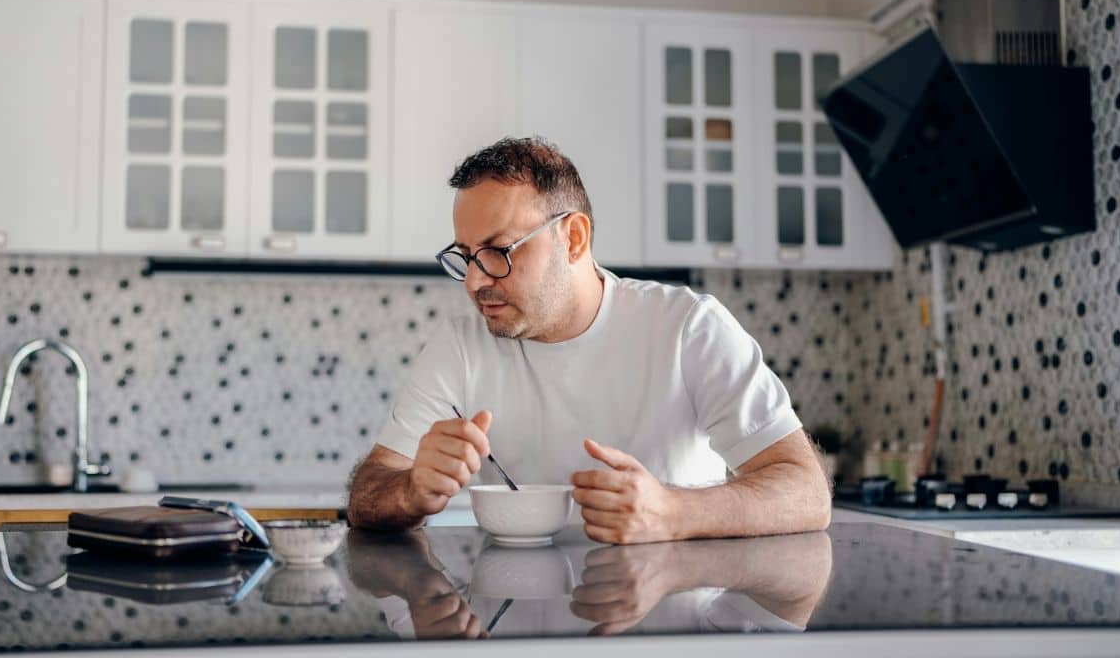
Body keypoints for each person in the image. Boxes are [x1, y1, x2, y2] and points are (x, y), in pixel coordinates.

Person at [347, 137, 831, 543]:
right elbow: (366, 494)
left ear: (574, 239)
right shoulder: (460, 346)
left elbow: (806, 492)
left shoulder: (687, 327)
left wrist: (673, 512)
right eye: (466, 256)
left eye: (497, 251)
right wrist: (411, 490)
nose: (475, 281)